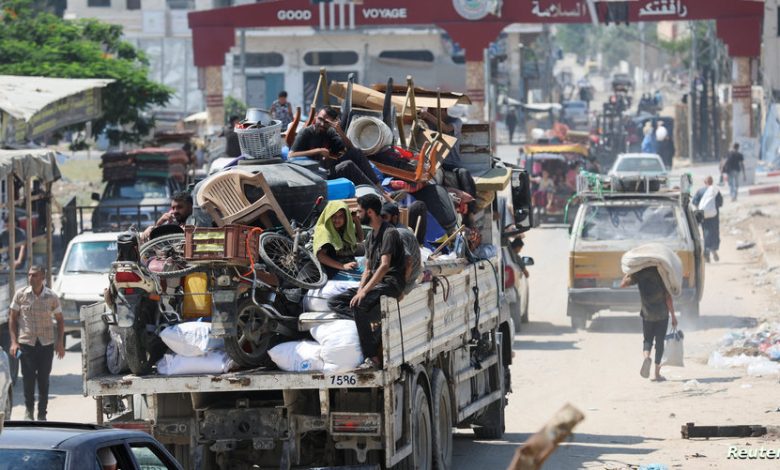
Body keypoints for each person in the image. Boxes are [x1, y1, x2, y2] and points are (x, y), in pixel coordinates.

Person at [328, 194, 406, 369]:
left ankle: (372, 357)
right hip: (376, 283)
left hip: (391, 283)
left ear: (370, 212)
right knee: (335, 302)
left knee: (358, 305)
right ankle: (368, 324)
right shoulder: (370, 237)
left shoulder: (389, 233)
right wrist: (360, 290)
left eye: (360, 210)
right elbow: (368, 269)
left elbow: (384, 266)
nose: (356, 213)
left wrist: (363, 293)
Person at [9, 265, 66, 421]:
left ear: (42, 277)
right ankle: (29, 412)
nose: (30, 278)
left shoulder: (51, 297)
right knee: (27, 379)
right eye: (29, 275)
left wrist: (60, 343)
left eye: (34, 275)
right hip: (26, 344)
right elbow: (12, 319)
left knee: (43, 380)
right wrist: (14, 342)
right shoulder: (21, 295)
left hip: (46, 344)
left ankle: (42, 413)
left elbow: (60, 321)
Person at [289, 107, 381, 188]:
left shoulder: (329, 132)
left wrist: (340, 131)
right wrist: (318, 151)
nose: (321, 124)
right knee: (348, 166)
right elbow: (291, 155)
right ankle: (374, 191)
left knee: (356, 153)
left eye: (326, 122)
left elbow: (350, 148)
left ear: (331, 123)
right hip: (314, 174)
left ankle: (380, 189)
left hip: (326, 169)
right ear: (316, 116)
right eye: (320, 119)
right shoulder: (306, 132)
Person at [620, 266, 678, 382]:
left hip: (647, 314)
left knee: (647, 340)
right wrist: (673, 315)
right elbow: (668, 298)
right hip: (662, 314)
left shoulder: (639, 274)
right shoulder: (662, 273)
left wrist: (628, 272)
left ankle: (647, 357)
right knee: (660, 342)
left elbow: (623, 284)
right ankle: (657, 374)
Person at [313, 200, 364, 280]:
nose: (337, 220)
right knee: (367, 280)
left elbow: (360, 239)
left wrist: (356, 221)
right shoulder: (326, 232)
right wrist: (342, 266)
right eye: (334, 216)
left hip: (350, 265)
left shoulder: (344, 229)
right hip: (336, 270)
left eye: (341, 216)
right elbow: (320, 256)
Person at [380, 202, 422, 296]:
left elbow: (408, 262)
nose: (381, 221)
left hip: (406, 282)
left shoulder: (397, 233)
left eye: (385, 217)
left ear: (394, 218)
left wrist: (401, 288)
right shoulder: (400, 229)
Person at [692, 176, 723, 262]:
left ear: (705, 182)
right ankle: (713, 248)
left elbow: (694, 202)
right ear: (712, 182)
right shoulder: (716, 191)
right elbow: (720, 203)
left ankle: (707, 252)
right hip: (714, 216)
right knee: (714, 232)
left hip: (703, 215)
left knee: (706, 232)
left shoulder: (700, 191)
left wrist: (701, 208)